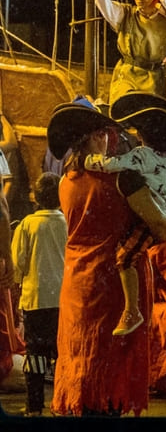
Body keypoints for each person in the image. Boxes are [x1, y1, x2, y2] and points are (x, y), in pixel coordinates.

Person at [45, 99, 154, 415]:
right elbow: (159, 224)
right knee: (110, 364)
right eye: (104, 133)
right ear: (93, 138)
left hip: (77, 280)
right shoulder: (118, 180)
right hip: (110, 282)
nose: (109, 139)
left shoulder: (66, 181)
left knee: (81, 356)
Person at [81, 95, 166, 338]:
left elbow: (113, 164)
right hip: (162, 213)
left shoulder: (143, 156)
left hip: (153, 217)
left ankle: (131, 310)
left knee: (124, 257)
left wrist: (90, 160)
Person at [13, 172, 63, 416]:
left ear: (36, 197)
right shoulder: (67, 222)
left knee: (35, 353)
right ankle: (62, 402)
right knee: (62, 352)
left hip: (36, 299)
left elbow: (18, 262)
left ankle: (34, 406)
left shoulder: (28, 224)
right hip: (64, 299)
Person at [91, 0, 166, 102]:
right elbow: (107, 8)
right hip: (127, 75)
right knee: (123, 109)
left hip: (153, 78)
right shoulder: (127, 14)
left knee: (149, 114)